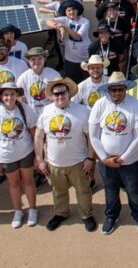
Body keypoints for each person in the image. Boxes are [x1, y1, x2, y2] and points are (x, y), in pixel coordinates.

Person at [89, 72, 138, 235]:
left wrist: (123, 158)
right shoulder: (100, 105)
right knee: (110, 190)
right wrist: (104, 158)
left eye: (120, 89)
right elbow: (93, 135)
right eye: (114, 90)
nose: (117, 93)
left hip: (129, 161)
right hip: (106, 161)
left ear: (125, 89)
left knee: (133, 189)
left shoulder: (135, 105)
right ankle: (111, 216)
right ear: (108, 90)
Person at [35, 77, 97, 232]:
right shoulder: (46, 111)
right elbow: (38, 136)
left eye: (63, 93)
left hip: (78, 162)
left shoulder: (82, 111)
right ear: (52, 96)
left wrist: (90, 158)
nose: (60, 97)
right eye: (56, 94)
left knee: (83, 190)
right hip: (54, 162)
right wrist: (40, 159)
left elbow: (91, 137)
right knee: (58, 191)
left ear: (69, 93)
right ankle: (61, 213)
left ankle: (86, 215)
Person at [0, 82, 39, 228]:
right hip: (7, 155)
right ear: (1, 97)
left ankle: (33, 209)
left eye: (12, 94)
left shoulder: (25, 110)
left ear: (17, 95)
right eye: (6, 95)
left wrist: (37, 155)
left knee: (28, 181)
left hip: (26, 152)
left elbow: (34, 132)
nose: (9, 97)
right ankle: (18, 210)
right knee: (13, 183)